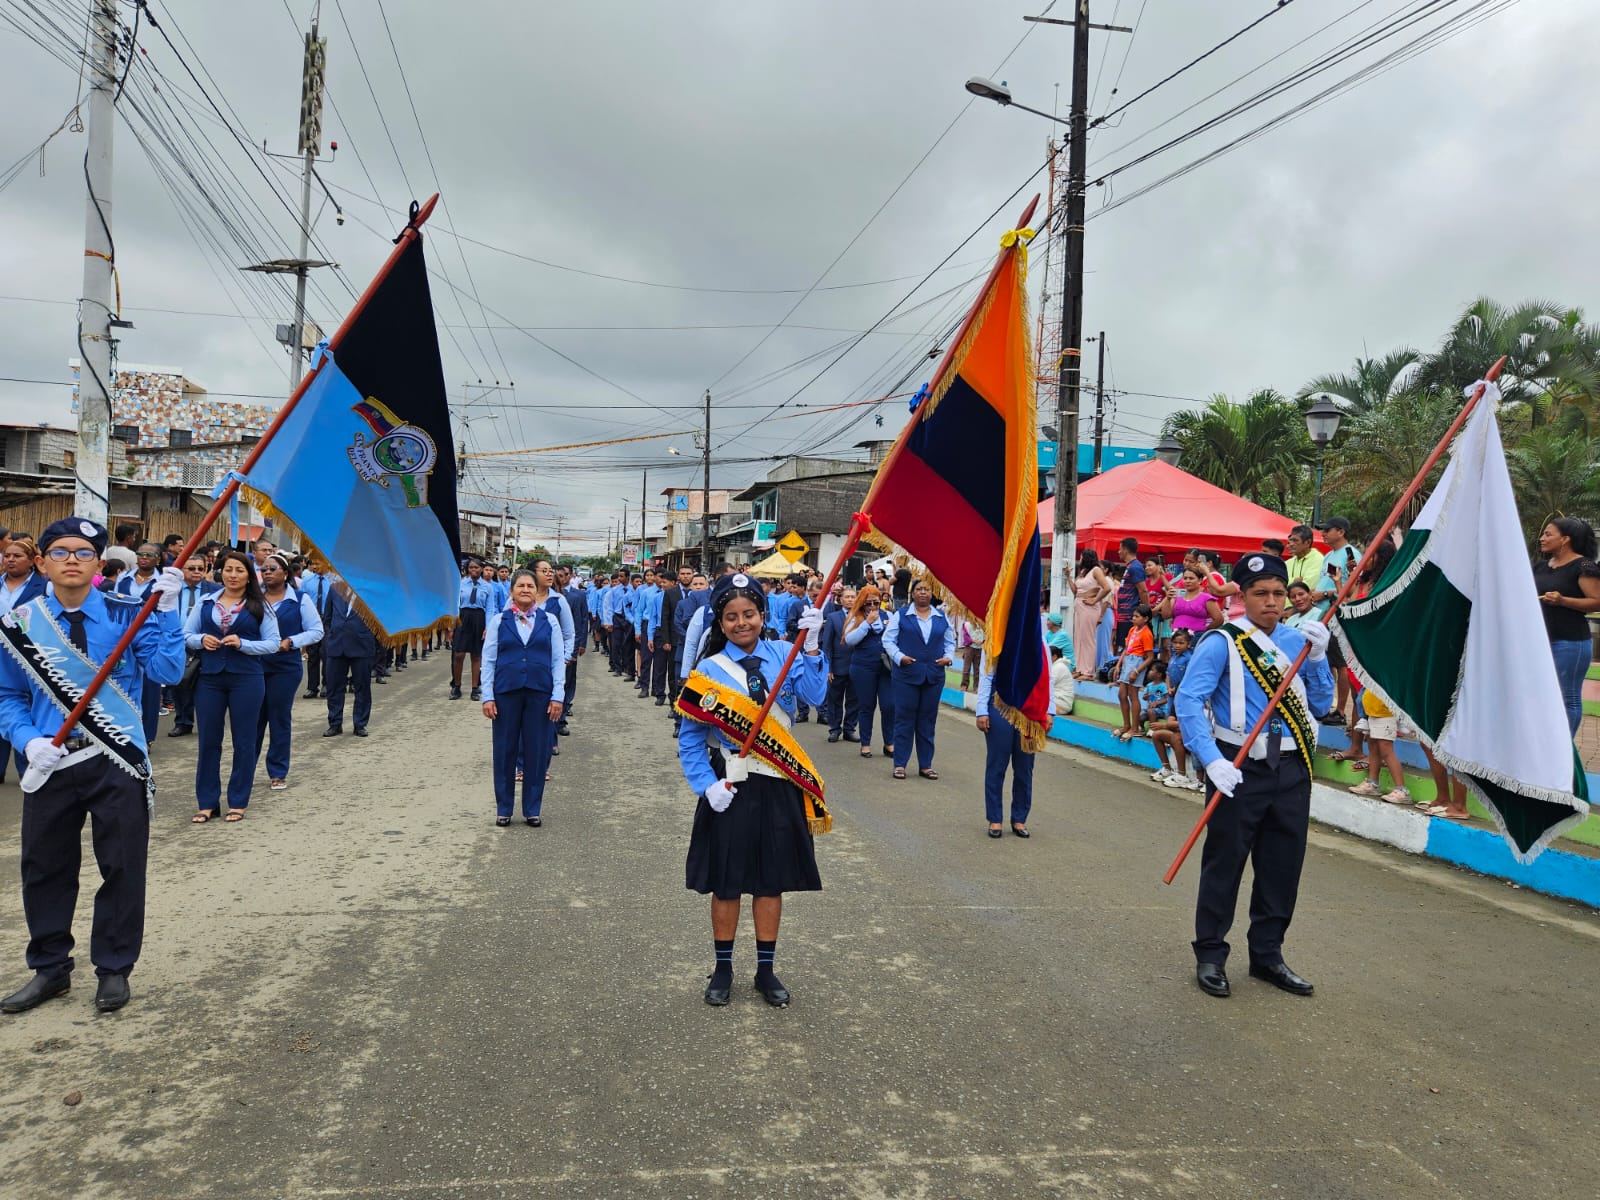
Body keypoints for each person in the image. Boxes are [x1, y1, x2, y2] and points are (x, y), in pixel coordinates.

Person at [0, 517, 184, 1014]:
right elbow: (6, 696)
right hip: (51, 761)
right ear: (42, 563)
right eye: (60, 552)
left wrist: (169, 613)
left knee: (122, 866)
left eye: (83, 552)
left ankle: (114, 968)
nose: (72, 561)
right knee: (44, 868)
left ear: (99, 563)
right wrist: (28, 740)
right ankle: (50, 969)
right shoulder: (19, 623)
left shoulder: (130, 613)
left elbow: (168, 671)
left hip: (116, 758)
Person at [1174, 552, 1334, 1000]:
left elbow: (1321, 706)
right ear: (1242, 596)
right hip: (1236, 763)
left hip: (1291, 765)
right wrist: (1211, 759)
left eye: (1279, 593)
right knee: (1225, 861)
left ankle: (1267, 954)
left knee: (1282, 864)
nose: (1272, 602)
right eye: (1261, 593)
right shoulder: (1222, 642)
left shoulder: (1300, 641)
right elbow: (1189, 700)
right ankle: (1210, 954)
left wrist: (1318, 660)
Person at [675, 571, 828, 1008]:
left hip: (778, 783)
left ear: (762, 615)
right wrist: (707, 786)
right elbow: (690, 739)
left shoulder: (785, 651)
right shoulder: (709, 670)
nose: (741, 623)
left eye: (749, 614)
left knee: (769, 882)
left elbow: (815, 697)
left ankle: (766, 969)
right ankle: (723, 968)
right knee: (726, 882)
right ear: (719, 622)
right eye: (731, 617)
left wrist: (812, 648)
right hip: (732, 783)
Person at [185, 550, 280, 822]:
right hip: (209, 678)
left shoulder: (260, 606)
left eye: (239, 570)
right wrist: (201, 639)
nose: (233, 575)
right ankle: (207, 802)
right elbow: (186, 634)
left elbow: (273, 643)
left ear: (249, 575)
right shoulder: (206, 603)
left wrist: (243, 644)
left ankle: (238, 800)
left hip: (246, 678)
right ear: (220, 572)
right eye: (228, 570)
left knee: (244, 741)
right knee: (208, 741)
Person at [481, 569, 566, 827]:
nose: (526, 590)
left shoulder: (550, 621)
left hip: (540, 693)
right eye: (521, 586)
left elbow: (557, 660)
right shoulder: (499, 621)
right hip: (506, 692)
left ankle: (532, 809)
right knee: (504, 750)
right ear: (512, 591)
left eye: (530, 586)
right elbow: (489, 660)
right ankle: (504, 808)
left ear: (536, 591)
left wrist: (558, 696)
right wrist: (487, 696)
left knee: (536, 751)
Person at [255, 554, 324, 792]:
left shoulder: (299, 599)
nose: (267, 572)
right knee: (252, 719)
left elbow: (316, 631)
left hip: (284, 666)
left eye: (273, 568)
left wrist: (292, 641)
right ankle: (245, 769)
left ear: (285, 573)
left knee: (278, 716)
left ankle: (277, 771)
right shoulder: (253, 598)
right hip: (254, 666)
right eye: (264, 569)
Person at [882, 579, 954, 781]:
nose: (923, 592)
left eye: (926, 589)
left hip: (933, 675)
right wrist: (899, 657)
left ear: (932, 593)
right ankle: (900, 764)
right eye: (919, 589)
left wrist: (948, 657)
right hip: (906, 675)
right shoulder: (901, 615)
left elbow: (950, 641)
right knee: (904, 719)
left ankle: (926, 765)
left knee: (927, 721)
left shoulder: (941, 617)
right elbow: (888, 640)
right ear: (912, 593)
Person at [1534, 517, 1600, 736]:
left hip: (1570, 643)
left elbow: (1597, 601)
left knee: (1566, 697)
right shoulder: (1542, 566)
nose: (1542, 538)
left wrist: (1563, 601)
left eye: (1548, 534)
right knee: (1539, 696)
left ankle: (1564, 747)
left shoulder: (1583, 566)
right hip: (1541, 642)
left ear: (1565, 540)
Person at [976, 663, 1053, 839]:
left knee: (1025, 766)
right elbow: (986, 674)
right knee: (997, 764)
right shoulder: (995, 644)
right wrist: (981, 710)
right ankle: (995, 818)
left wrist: (1050, 710)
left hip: (1030, 706)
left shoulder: (1040, 645)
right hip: (1000, 704)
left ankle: (1019, 818)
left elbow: (1047, 677)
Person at [0, 536, 48, 784]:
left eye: (17, 556)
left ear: (32, 561)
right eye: (7, 555)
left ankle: (27, 767)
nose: (10, 560)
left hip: (27, 657)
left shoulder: (44, 588)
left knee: (25, 709)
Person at [115, 543, 166, 743]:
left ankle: (147, 737)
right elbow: (115, 603)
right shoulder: (124, 578)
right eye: (141, 554)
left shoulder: (162, 582)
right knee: (124, 683)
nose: (144, 557)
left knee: (150, 688)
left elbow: (166, 611)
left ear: (158, 559)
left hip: (151, 637)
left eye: (149, 555)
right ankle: (125, 733)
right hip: (124, 636)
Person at [166, 555, 219, 739]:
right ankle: (183, 722)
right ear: (182, 570)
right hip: (177, 643)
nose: (196, 572)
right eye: (191, 568)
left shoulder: (215, 590)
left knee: (207, 687)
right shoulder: (172, 590)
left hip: (206, 643)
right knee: (180, 684)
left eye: (200, 568)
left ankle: (208, 724)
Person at [842, 585, 895, 761]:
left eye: (876, 603)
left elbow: (896, 637)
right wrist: (866, 623)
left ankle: (889, 743)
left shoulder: (888, 616)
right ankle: (865, 743)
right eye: (868, 603)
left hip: (885, 667)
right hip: (863, 667)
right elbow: (850, 640)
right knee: (866, 706)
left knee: (889, 705)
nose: (872, 606)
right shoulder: (855, 617)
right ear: (862, 603)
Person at [322, 579, 377, 738]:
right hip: (337, 645)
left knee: (362, 687)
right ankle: (335, 723)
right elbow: (328, 617)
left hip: (362, 645)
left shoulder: (370, 590)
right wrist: (331, 635)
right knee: (334, 687)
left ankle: (360, 724)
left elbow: (378, 620)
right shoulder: (335, 588)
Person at [820, 584, 860, 744]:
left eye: (853, 597)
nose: (850, 600)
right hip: (837, 665)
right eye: (847, 597)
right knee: (834, 699)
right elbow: (827, 644)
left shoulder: (862, 616)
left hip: (857, 666)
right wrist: (828, 668)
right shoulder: (833, 617)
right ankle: (834, 729)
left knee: (854, 700)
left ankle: (849, 729)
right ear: (840, 599)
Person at [451, 559, 493, 701]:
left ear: (481, 569)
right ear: (467, 569)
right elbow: (455, 605)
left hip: (479, 618)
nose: (473, 570)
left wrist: (488, 627)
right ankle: (456, 686)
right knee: (458, 654)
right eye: (471, 567)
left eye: (476, 567)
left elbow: (490, 609)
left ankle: (475, 688)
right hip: (462, 618)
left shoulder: (488, 587)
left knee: (476, 655)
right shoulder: (461, 584)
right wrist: (452, 625)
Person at [1113, 604, 1156, 741]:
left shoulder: (1147, 634)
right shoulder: (1132, 629)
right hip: (1128, 661)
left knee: (1133, 695)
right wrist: (1118, 665)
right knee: (1122, 694)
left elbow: (1150, 657)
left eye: (1137, 616)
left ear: (1146, 618)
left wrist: (1136, 671)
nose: (1133, 618)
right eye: (1133, 616)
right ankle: (1127, 725)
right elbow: (1126, 649)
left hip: (1137, 664)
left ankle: (1135, 728)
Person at [1072, 549, 1112, 681]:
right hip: (1079, 605)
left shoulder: (1096, 570)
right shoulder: (1083, 572)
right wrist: (1068, 577)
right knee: (1079, 638)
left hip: (1089, 607)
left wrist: (1095, 600)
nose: (1080, 559)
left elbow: (1107, 587)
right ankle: (1080, 668)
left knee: (1088, 639)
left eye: (1081, 557)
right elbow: (1075, 590)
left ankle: (1088, 671)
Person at [1113, 537, 1149, 652]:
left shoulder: (1135, 567)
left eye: (1120, 549)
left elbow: (1143, 590)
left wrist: (1146, 611)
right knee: (1123, 646)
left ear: (1126, 550)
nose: (1118, 552)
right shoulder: (1130, 567)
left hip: (1130, 615)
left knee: (1129, 647)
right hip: (1124, 614)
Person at [1284, 525, 1325, 592]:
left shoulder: (1318, 560)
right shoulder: (1287, 563)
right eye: (1290, 540)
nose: (1290, 544)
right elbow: (1278, 584)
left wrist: (1288, 581)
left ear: (1308, 542)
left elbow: (1306, 587)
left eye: (1295, 540)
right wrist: (1294, 580)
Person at [1140, 659, 1172, 734]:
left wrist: (1157, 703)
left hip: (1161, 710)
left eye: (1152, 670)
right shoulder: (1149, 685)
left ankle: (1152, 730)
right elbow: (1144, 697)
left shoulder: (1163, 686)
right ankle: (1141, 728)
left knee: (1150, 711)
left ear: (1159, 674)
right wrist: (1145, 697)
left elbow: (1167, 698)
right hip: (1150, 709)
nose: (1149, 672)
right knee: (1140, 715)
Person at [1048, 644, 1075, 716]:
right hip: (1058, 700)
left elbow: (1046, 685)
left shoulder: (1058, 667)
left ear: (1054, 657)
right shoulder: (1056, 666)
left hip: (1061, 703)